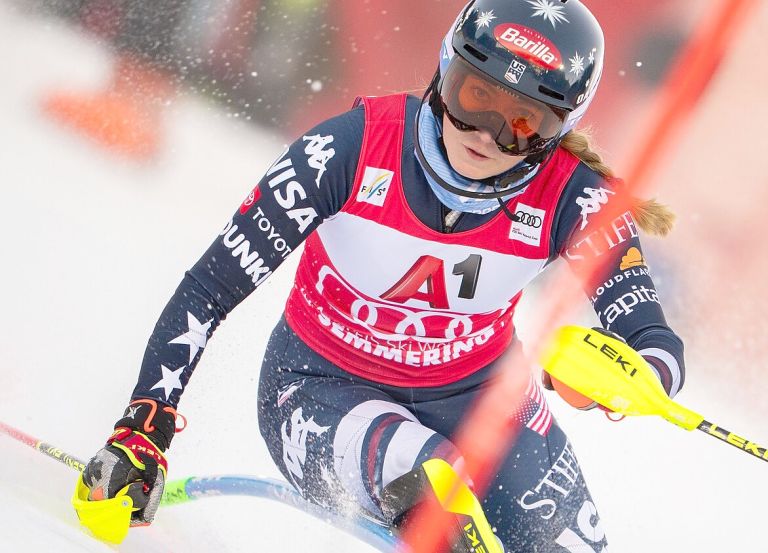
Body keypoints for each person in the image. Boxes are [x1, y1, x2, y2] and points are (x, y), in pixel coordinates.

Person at [73, 1, 686, 550]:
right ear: (446, 71)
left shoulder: (578, 200)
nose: (483, 135)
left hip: (479, 396)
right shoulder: (348, 150)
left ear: (561, 128)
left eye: (521, 123)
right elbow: (210, 289)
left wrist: (624, 376)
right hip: (319, 386)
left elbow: (655, 342)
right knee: (434, 485)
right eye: (475, 97)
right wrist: (142, 428)